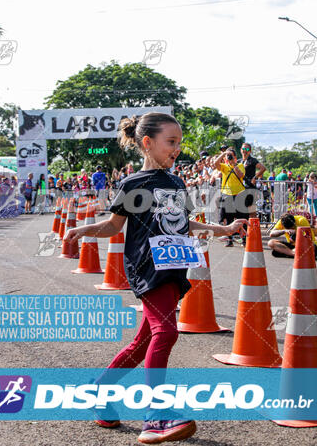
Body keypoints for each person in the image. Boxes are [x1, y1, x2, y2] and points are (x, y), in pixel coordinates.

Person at [63, 112, 247, 443]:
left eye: (179, 142)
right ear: (147, 143)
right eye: (171, 142)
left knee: (143, 342)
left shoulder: (177, 182)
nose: (177, 149)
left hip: (174, 267)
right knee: (166, 332)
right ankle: (155, 414)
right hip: (147, 267)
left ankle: (98, 391)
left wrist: (222, 229)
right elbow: (113, 226)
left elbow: (181, 223)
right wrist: (83, 229)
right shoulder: (132, 184)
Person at [214, 147, 248, 247]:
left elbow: (240, 174)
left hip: (239, 194)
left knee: (242, 218)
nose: (229, 157)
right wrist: (224, 153)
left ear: (235, 157)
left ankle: (244, 239)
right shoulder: (224, 167)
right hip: (227, 195)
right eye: (228, 156)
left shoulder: (240, 165)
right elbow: (215, 164)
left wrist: (233, 164)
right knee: (229, 219)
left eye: (231, 156)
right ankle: (230, 240)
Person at [238, 143, 266, 218]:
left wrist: (255, 177)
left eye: (247, 149)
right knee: (240, 211)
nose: (245, 151)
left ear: (250, 151)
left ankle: (254, 229)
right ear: (241, 150)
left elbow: (263, 168)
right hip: (240, 188)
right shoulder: (239, 161)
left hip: (250, 188)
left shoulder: (252, 160)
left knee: (251, 211)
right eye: (243, 149)